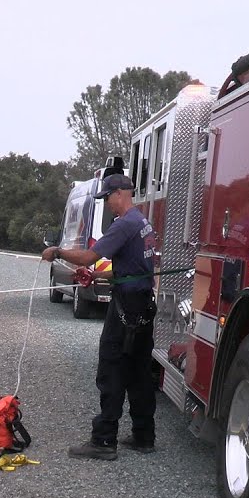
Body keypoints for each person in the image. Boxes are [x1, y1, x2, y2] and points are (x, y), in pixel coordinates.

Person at [42, 173, 157, 460]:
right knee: (140, 372)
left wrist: (56, 251)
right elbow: (131, 269)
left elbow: (87, 256)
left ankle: (104, 441)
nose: (106, 204)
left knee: (112, 368)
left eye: (107, 198)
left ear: (120, 193)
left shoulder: (124, 225)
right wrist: (97, 275)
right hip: (143, 305)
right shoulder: (142, 223)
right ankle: (144, 436)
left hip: (126, 309)